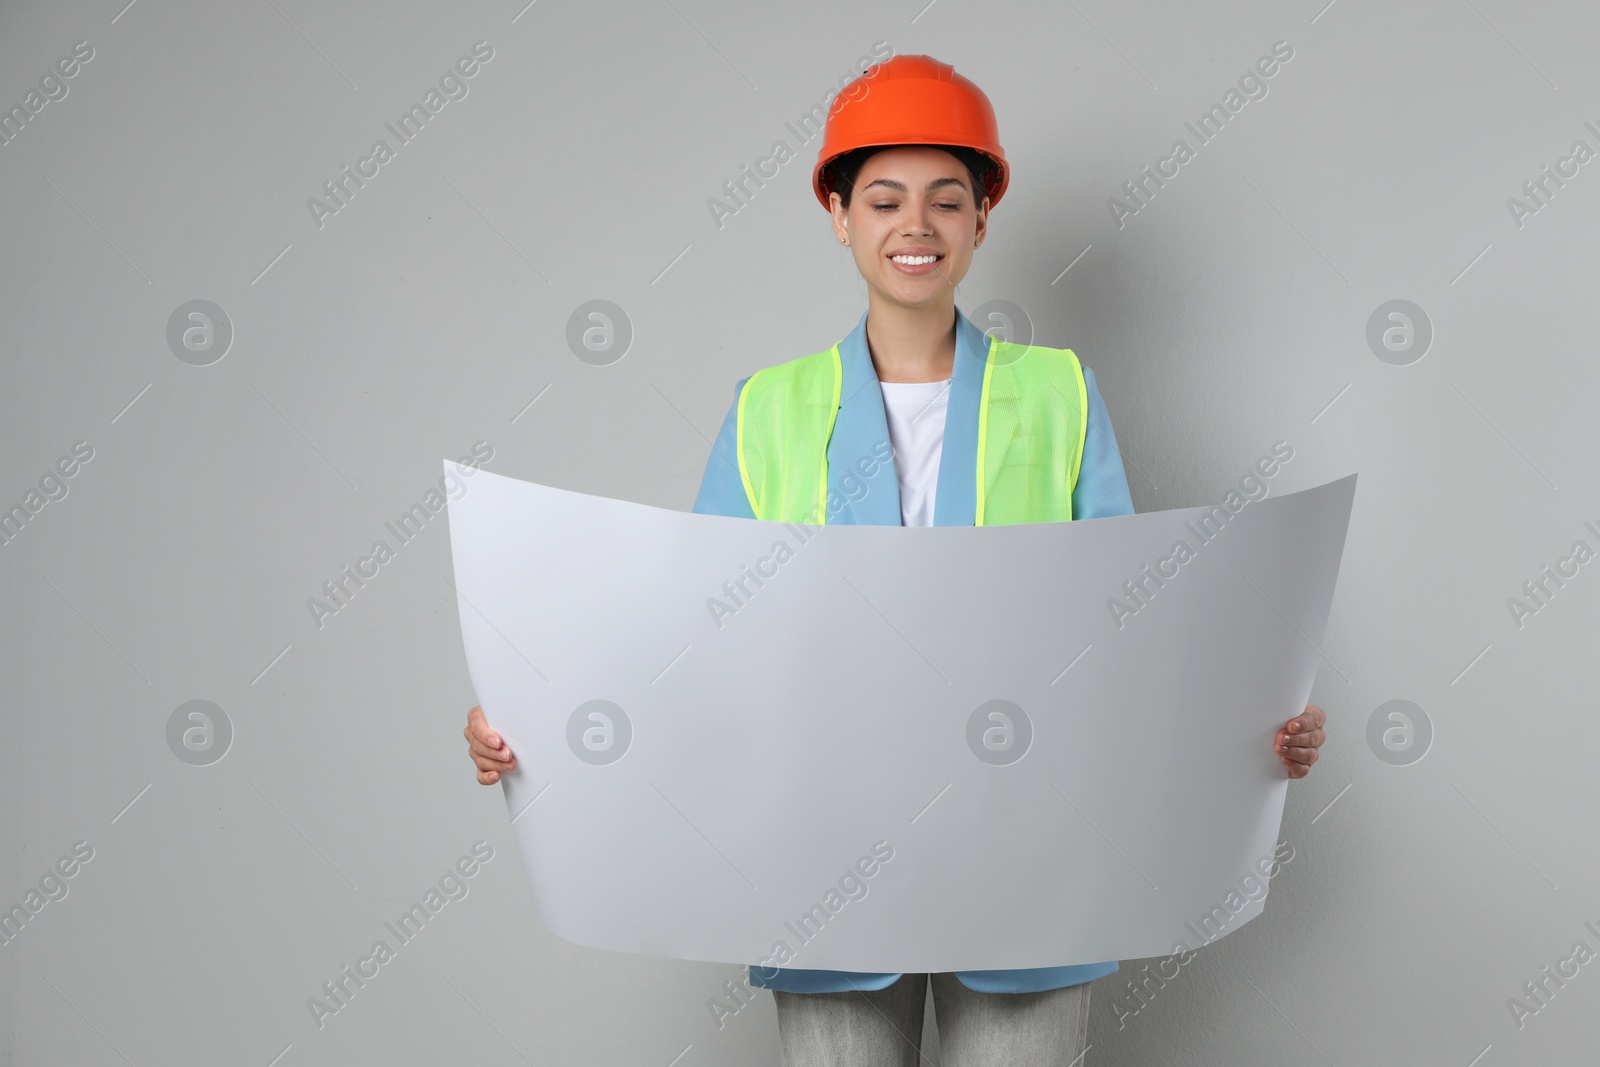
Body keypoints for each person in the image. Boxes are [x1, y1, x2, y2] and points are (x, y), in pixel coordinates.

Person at [464, 53, 1328, 1067]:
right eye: (883, 199)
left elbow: (1128, 625)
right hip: (824, 867)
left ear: (979, 220)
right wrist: (535, 716)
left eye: (943, 200)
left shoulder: (1058, 395)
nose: (914, 224)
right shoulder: (768, 409)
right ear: (838, 215)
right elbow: (689, 636)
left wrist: (1249, 728)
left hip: (1030, 869)